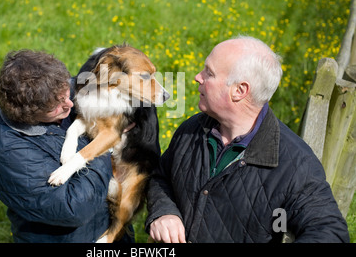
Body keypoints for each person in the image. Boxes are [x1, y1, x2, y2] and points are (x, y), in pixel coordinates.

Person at [145, 36, 350, 243]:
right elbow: (160, 176)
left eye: (209, 73)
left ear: (239, 91)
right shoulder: (192, 130)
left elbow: (331, 232)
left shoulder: (295, 165)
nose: (198, 77)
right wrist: (164, 212)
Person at [0, 49, 118, 242]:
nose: (70, 104)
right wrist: (103, 146)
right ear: (28, 114)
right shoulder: (12, 152)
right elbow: (73, 209)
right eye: (56, 105)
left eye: (66, 93)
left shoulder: (61, 92)